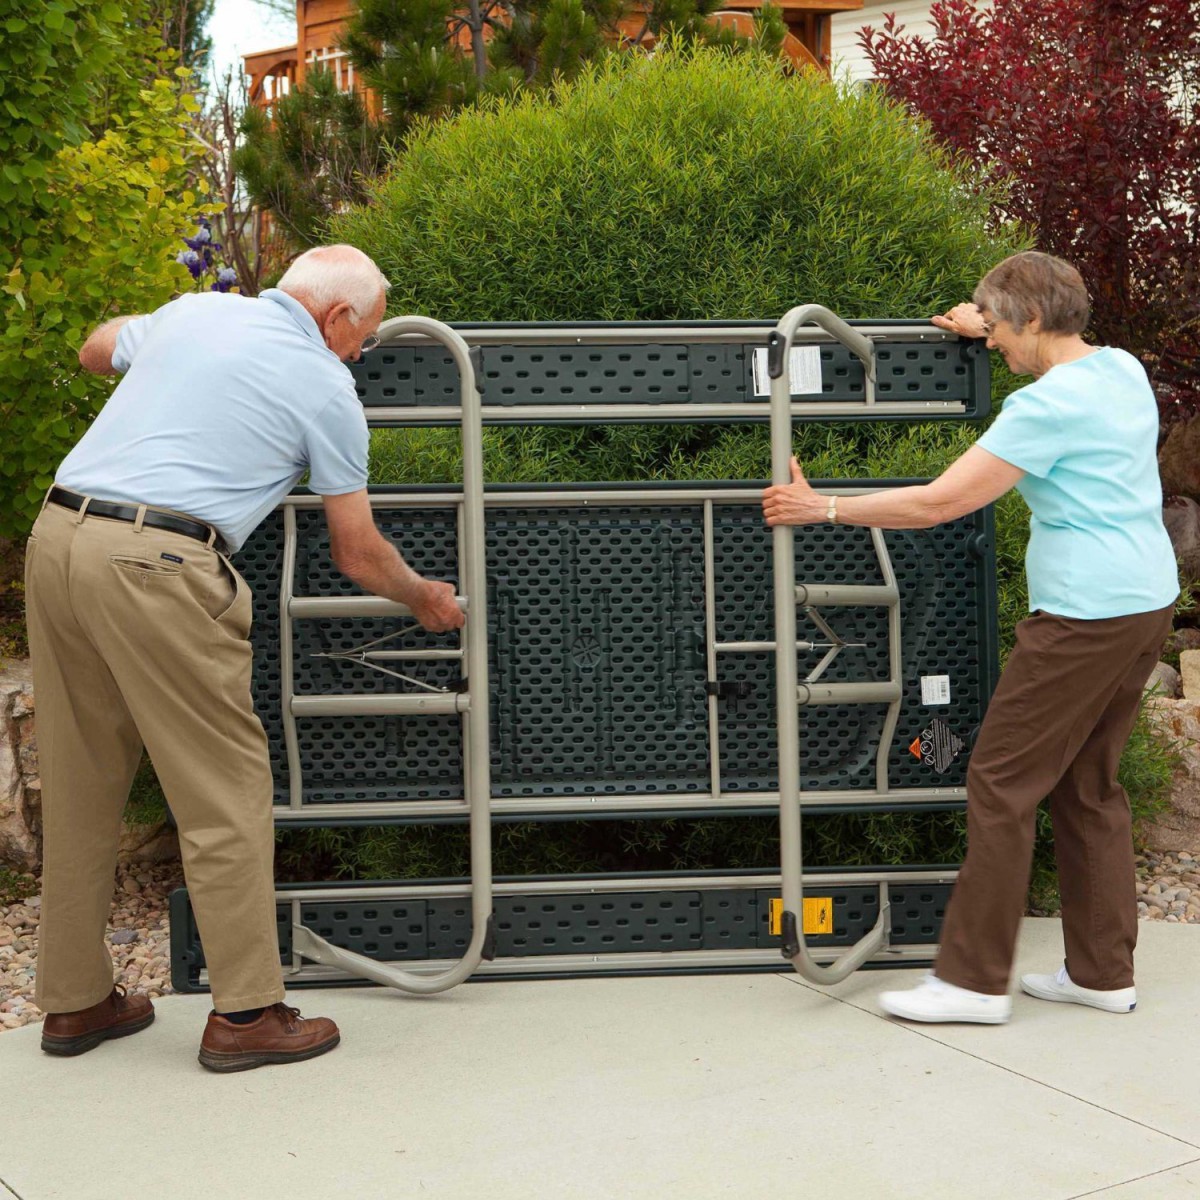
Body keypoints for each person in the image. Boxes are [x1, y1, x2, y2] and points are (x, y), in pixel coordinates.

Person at [27, 244, 464, 1070]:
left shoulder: (197, 312)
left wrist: (157, 353)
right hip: (157, 566)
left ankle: (75, 1003)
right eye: (363, 337)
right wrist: (426, 599)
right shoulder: (326, 385)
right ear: (336, 318)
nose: (362, 354)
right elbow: (358, 551)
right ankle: (246, 1015)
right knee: (224, 789)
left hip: (58, 539)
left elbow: (93, 349)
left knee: (82, 780)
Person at [762, 250, 1177, 1024]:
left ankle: (973, 982)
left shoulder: (1043, 410)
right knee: (1088, 786)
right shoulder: (1121, 370)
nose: (990, 346)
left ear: (1028, 318)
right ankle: (1100, 973)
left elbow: (936, 503)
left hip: (1082, 618)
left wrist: (820, 509)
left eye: (997, 330)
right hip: (1144, 602)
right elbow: (1028, 336)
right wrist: (983, 318)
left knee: (999, 783)